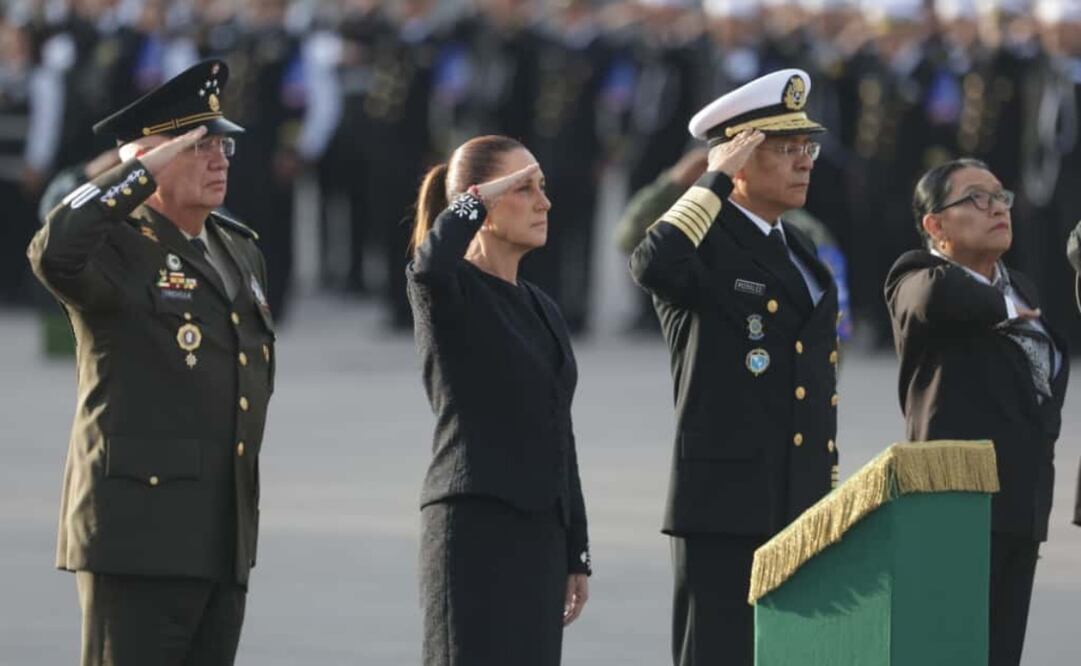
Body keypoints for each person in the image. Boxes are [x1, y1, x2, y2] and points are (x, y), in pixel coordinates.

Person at [27, 59, 274, 666]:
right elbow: (52, 250)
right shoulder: (115, 245)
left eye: (222, 145)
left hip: (221, 535)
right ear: (146, 162)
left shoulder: (235, 248)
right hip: (138, 540)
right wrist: (135, 172)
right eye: (196, 146)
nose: (218, 158)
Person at [630, 68, 841, 666]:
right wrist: (711, 177)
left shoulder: (800, 250)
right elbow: (652, 262)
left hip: (795, 495)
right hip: (724, 499)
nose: (804, 163)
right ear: (740, 160)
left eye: (808, 148)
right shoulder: (704, 240)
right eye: (784, 149)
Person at [407, 135, 591, 665]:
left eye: (542, 187)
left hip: (539, 536)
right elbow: (429, 265)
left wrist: (576, 547)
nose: (543, 201)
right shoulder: (450, 289)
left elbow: (560, 429)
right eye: (523, 188)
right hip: (474, 532)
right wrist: (475, 199)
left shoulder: (541, 307)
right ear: (481, 204)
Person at [885, 158, 1068, 666]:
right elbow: (936, 297)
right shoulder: (916, 275)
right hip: (954, 509)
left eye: (1000, 196)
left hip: (1020, 508)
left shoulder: (1022, 288)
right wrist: (1004, 307)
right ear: (935, 226)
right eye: (975, 199)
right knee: (949, 653)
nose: (996, 208)